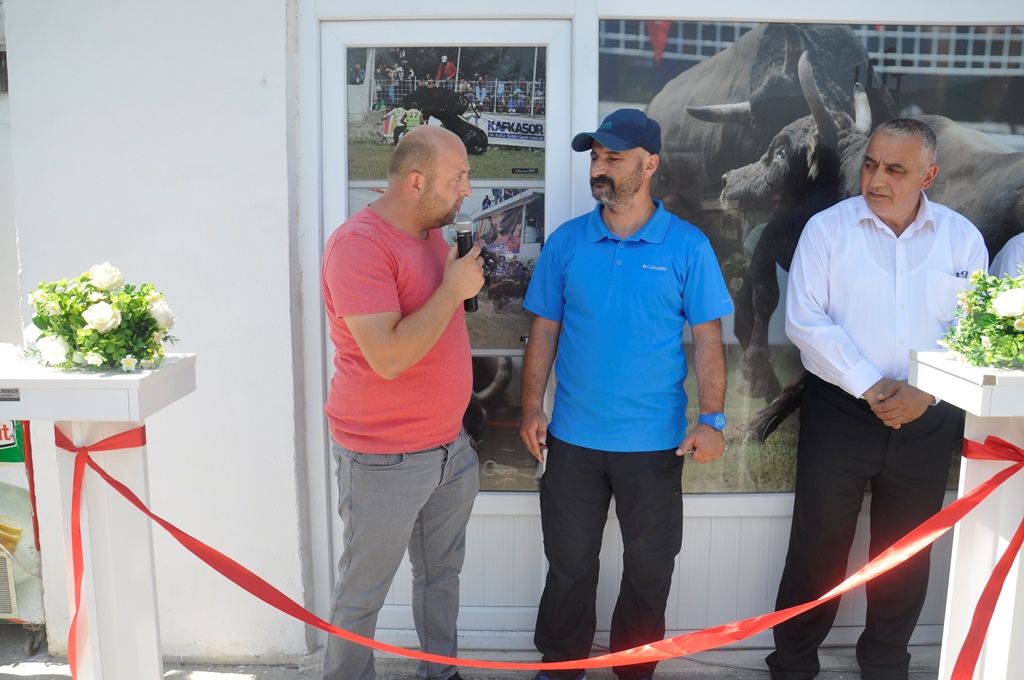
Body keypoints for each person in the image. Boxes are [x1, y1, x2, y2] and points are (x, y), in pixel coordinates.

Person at [768, 119, 987, 680]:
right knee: (817, 548)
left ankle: (886, 665)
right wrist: (870, 383)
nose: (876, 179)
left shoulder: (962, 238)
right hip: (841, 411)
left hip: (927, 416)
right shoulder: (826, 230)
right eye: (870, 164)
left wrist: (926, 389)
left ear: (928, 176)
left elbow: (974, 329)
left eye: (895, 169)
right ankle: (792, 664)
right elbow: (804, 321)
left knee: (906, 555)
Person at [520, 108, 734, 680]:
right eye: (596, 157)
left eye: (614, 158)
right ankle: (561, 666)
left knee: (649, 570)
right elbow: (544, 329)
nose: (600, 168)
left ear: (650, 164)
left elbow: (708, 339)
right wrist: (531, 407)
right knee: (568, 565)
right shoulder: (567, 242)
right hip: (573, 440)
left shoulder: (687, 246)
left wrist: (712, 418)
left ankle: (633, 670)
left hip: (655, 445)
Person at [320, 125, 484, 680]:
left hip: (449, 449)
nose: (467, 189)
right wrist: (452, 291)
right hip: (384, 458)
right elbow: (387, 357)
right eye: (457, 177)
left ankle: (442, 673)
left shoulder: (433, 235)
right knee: (362, 593)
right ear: (416, 182)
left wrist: (457, 286)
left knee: (441, 578)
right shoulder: (359, 246)